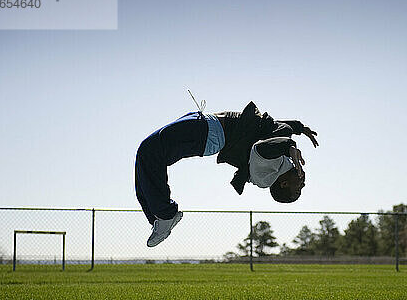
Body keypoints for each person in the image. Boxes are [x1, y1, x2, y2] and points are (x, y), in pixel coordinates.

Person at [135, 101, 319, 247]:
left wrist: (290, 147)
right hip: (208, 124)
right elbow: (270, 127)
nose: (302, 185)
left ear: (284, 184)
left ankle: (166, 215)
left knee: (151, 151)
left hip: (210, 133)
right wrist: (299, 128)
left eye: (298, 191)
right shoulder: (282, 163)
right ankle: (159, 218)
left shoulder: (267, 174)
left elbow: (261, 148)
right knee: (145, 153)